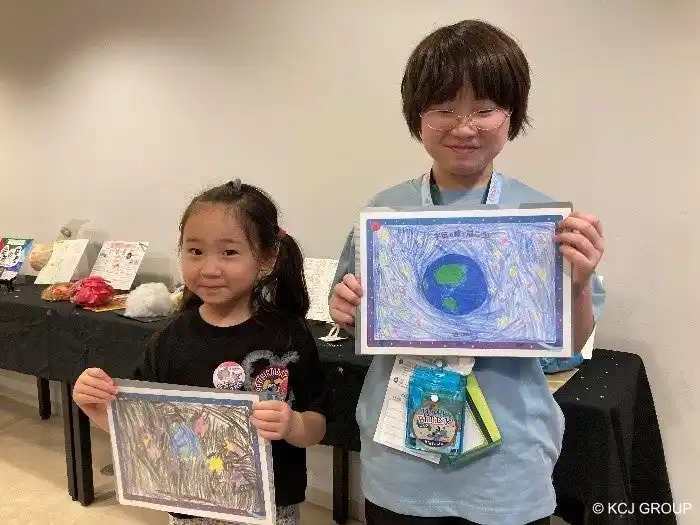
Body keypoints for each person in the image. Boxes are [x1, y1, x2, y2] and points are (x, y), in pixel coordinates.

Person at [329, 20, 606, 525]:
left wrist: (580, 283)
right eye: (443, 109)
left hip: (507, 465)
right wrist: (345, 310)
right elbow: (354, 317)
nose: (464, 127)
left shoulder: (539, 220)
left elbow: (568, 345)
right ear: (417, 116)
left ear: (511, 114)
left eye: (484, 108)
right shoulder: (385, 214)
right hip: (401, 462)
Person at [73, 180, 328, 525]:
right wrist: (96, 407)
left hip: (271, 511)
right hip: (190, 509)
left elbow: (317, 424)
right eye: (195, 251)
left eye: (229, 252)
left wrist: (293, 424)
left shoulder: (289, 334)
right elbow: (143, 431)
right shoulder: (168, 340)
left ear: (267, 258)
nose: (209, 268)